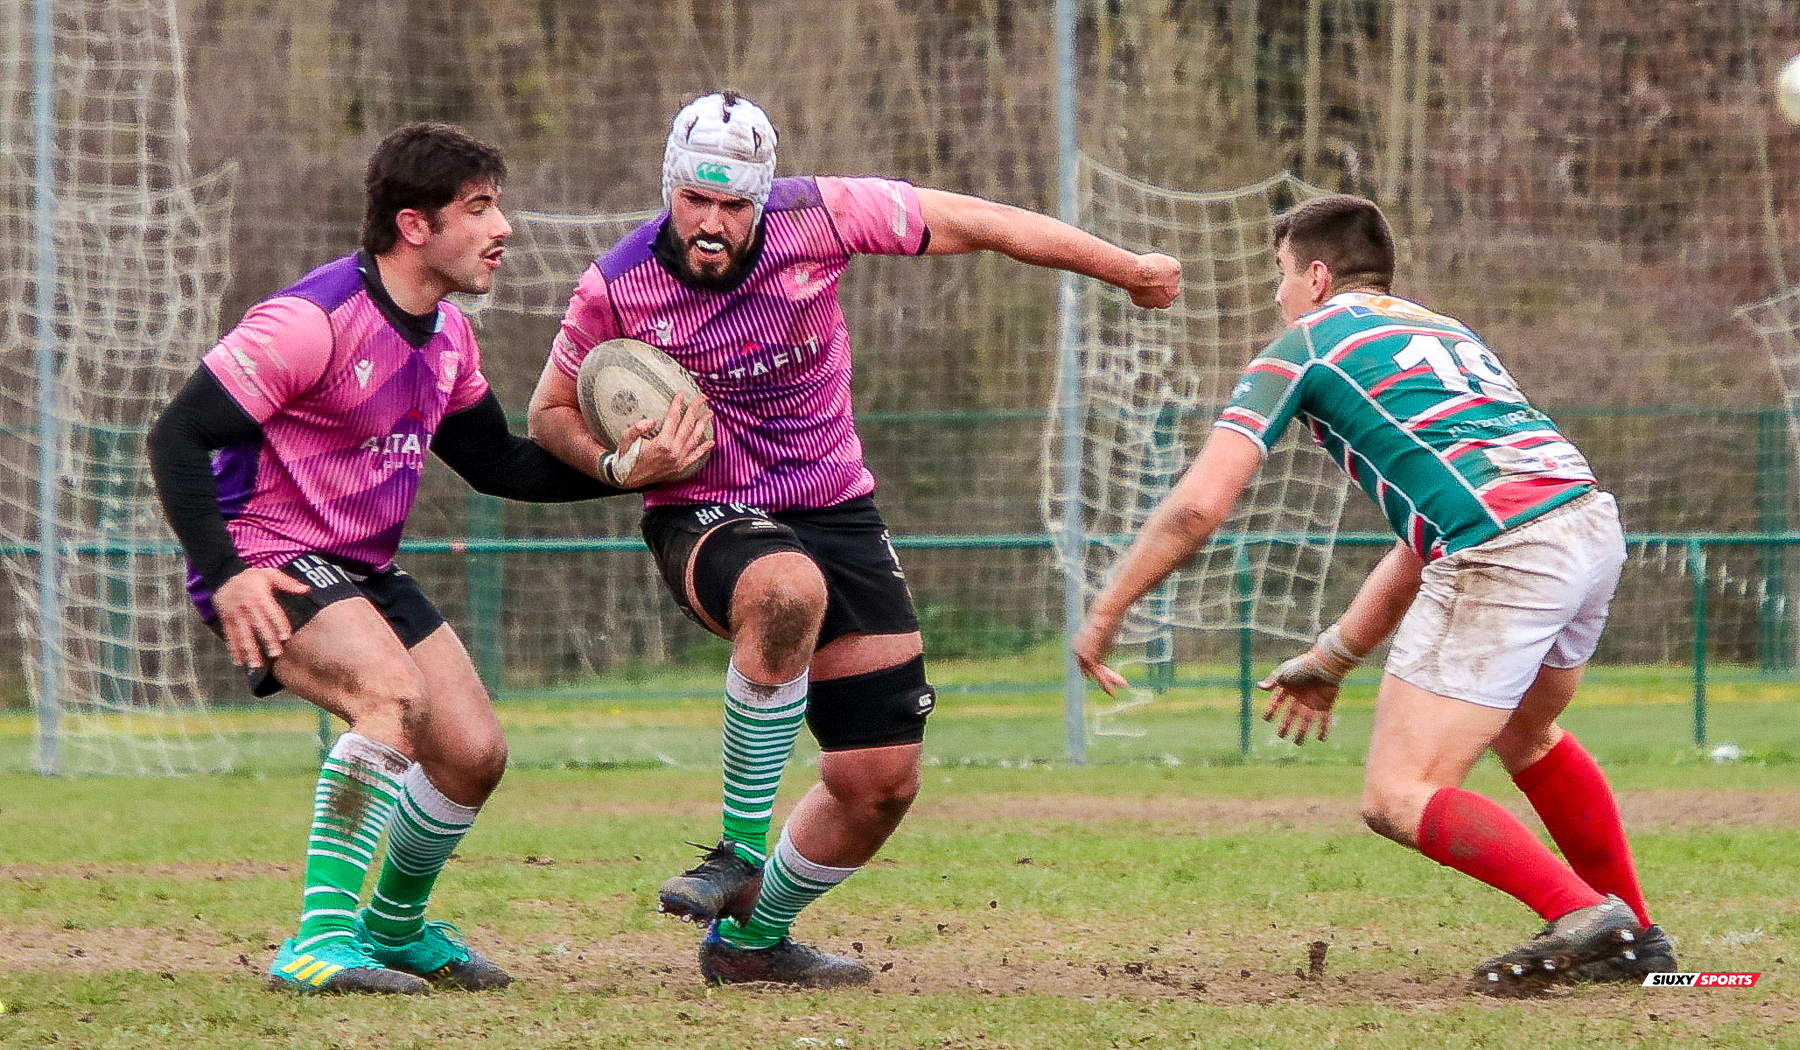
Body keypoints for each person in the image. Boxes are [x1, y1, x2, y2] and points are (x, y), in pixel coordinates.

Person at [527, 91, 1181, 987]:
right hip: (703, 511)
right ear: (670, 187)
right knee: (785, 591)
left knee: (880, 780)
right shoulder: (616, 283)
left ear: (763, 196)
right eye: (694, 200)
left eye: (733, 205)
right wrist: (617, 468)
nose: (711, 223)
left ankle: (753, 943)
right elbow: (550, 411)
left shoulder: (822, 215)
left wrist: (1127, 268)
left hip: (836, 507)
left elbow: (978, 220)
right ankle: (734, 852)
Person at [147, 123, 712, 995]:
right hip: (271, 556)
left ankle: (394, 929)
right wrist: (225, 573)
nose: (505, 228)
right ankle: (317, 944)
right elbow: (177, 435)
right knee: (390, 699)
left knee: (473, 754)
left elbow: (499, 465)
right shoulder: (310, 322)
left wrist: (625, 470)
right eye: (480, 209)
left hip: (362, 567)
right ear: (415, 225)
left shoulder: (447, 337)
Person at [1072, 194, 1674, 989]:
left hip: (1505, 547)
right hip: (1587, 524)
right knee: (1526, 733)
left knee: (1400, 794)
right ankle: (1637, 935)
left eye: (1281, 276)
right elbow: (1419, 536)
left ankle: (1586, 919)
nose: (1278, 296)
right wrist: (1333, 657)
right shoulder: (1444, 331)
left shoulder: (1307, 345)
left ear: (1316, 276)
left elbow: (1197, 505)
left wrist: (1108, 609)